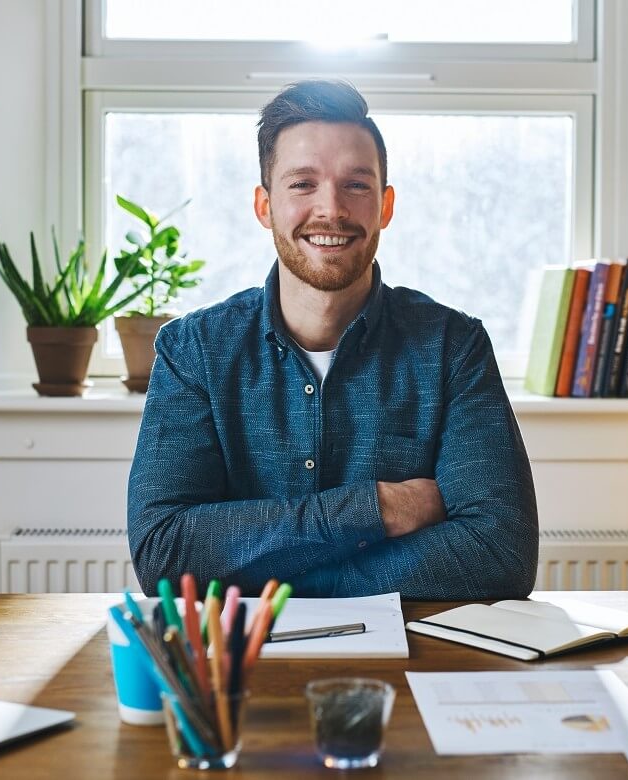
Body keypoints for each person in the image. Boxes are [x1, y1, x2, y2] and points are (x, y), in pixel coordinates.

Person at [127, 79, 538, 599]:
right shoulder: (193, 352)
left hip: (412, 667)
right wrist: (379, 509)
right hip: (239, 665)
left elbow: (501, 555)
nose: (332, 210)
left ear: (385, 206)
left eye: (356, 185)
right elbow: (164, 552)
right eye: (302, 184)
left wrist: (280, 576)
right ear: (264, 206)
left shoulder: (454, 347)